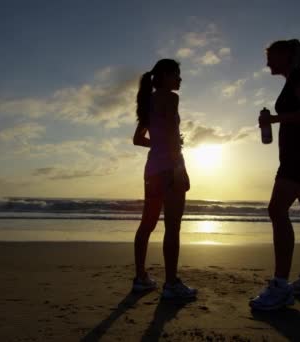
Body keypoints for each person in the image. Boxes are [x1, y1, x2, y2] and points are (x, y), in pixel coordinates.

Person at [250, 39, 300, 311]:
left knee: (277, 210)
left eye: (271, 56)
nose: (268, 62)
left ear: (287, 55)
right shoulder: (296, 78)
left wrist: (275, 121)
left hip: (299, 157)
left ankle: (281, 286)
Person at [131, 59, 196, 299]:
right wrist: (182, 168)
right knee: (173, 227)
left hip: (152, 171)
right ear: (166, 76)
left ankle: (140, 278)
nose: (180, 79)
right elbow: (170, 135)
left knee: (147, 224)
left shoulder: (148, 102)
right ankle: (171, 284)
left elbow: (138, 139)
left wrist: (160, 144)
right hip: (170, 170)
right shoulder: (170, 98)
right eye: (177, 74)